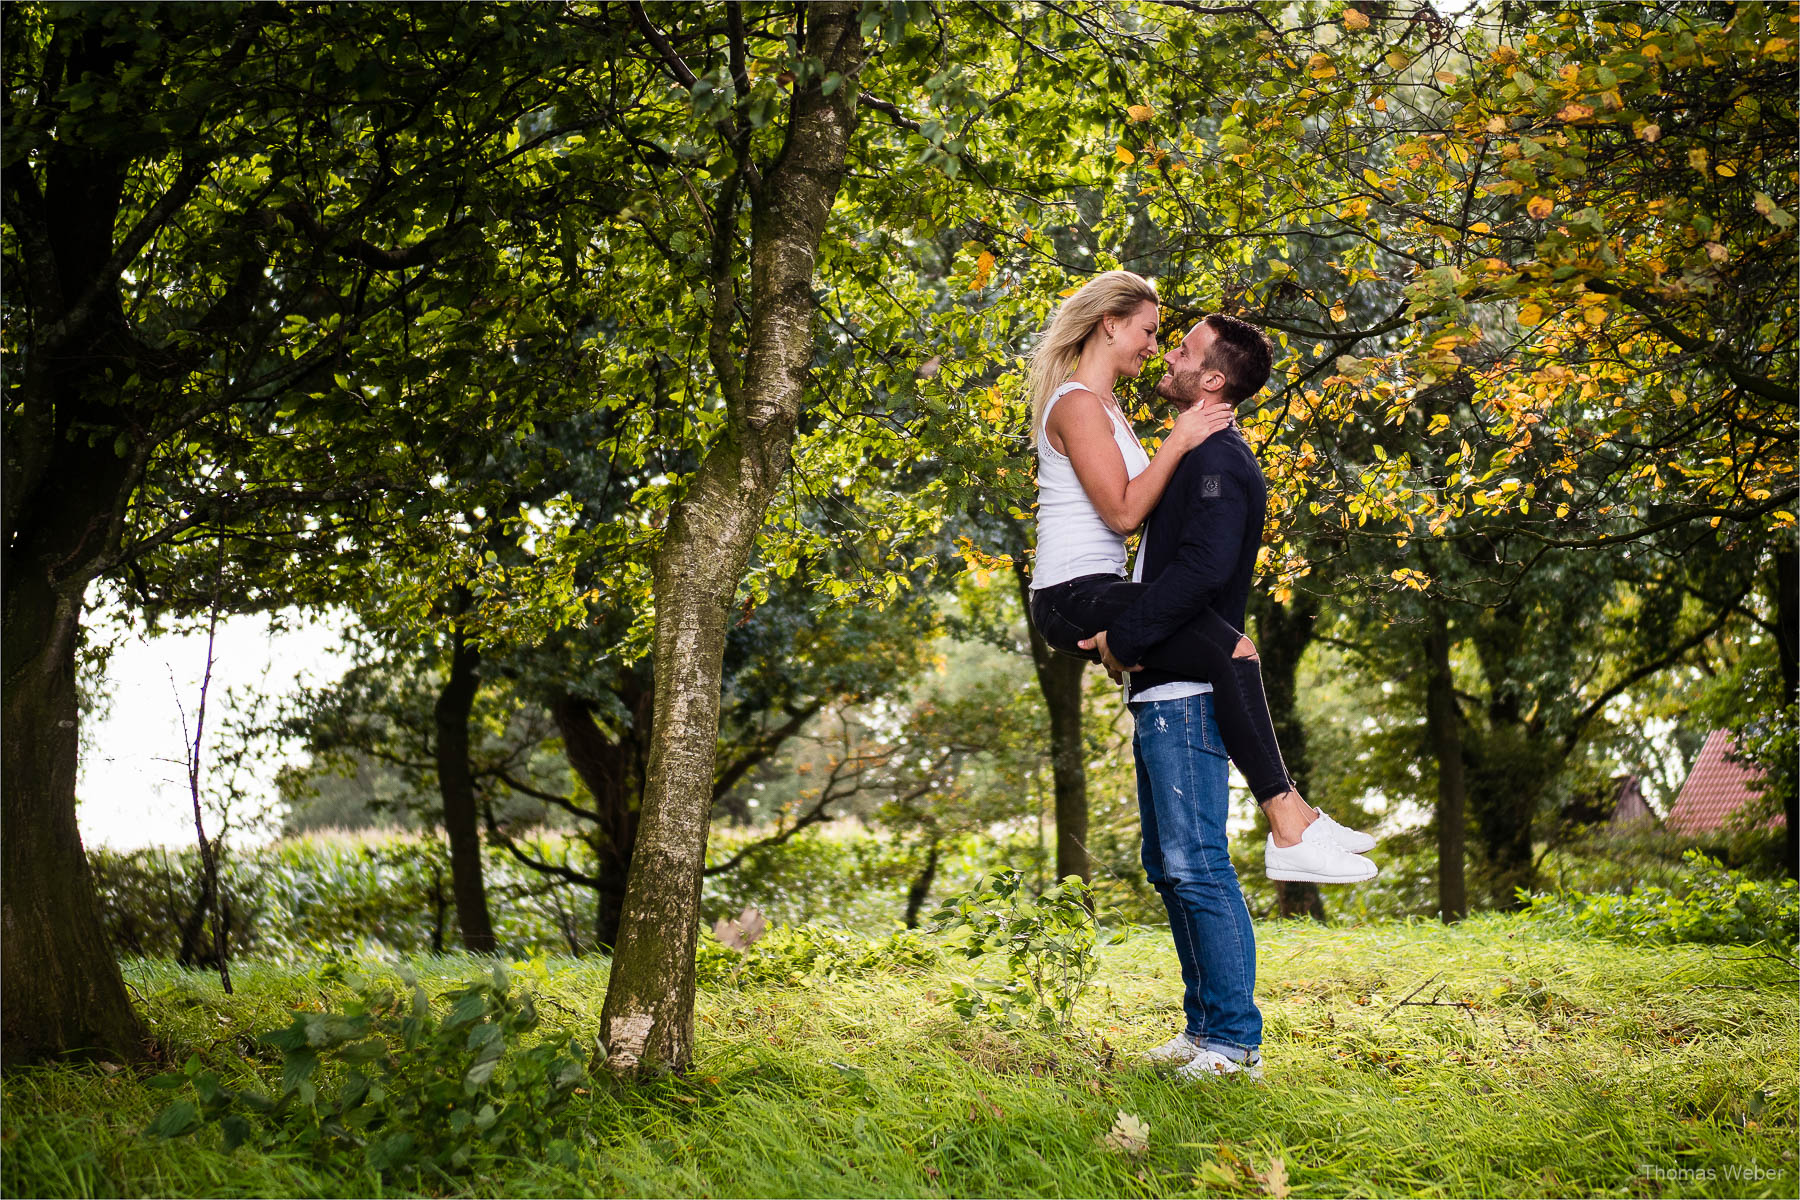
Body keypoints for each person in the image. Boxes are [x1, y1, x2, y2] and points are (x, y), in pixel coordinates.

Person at [1025, 272, 1376, 1078]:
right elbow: (1121, 514)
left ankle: (1290, 833)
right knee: (1230, 652)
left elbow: (1161, 530)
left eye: (1169, 339)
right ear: (1110, 325)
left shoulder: (1108, 408)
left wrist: (1135, 628)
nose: (1157, 347)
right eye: (1150, 331)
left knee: (1226, 666)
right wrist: (1182, 438)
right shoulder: (1080, 403)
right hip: (1076, 593)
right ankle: (1291, 821)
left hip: (1105, 594)